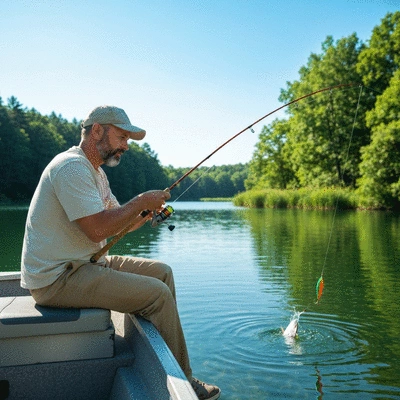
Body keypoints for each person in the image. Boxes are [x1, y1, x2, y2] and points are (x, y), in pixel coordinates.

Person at [20, 105, 221, 400]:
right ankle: (184, 380)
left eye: (128, 139)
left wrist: (143, 213)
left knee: (162, 272)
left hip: (86, 263)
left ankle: (157, 358)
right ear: (97, 130)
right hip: (57, 279)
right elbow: (98, 230)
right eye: (122, 136)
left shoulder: (96, 173)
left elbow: (116, 223)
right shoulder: (71, 167)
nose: (126, 146)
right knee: (157, 294)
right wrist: (140, 201)